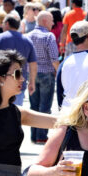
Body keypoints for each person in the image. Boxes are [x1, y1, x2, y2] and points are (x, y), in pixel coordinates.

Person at [24, 11, 59, 143]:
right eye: (51, 20)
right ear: (45, 21)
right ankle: (41, 136)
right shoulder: (49, 36)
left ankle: (34, 135)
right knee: (45, 106)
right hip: (46, 74)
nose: (53, 23)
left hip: (31, 74)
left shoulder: (28, 36)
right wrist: (59, 72)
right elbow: (54, 58)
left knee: (34, 106)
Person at [0, 15, 37, 106]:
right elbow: (33, 63)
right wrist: (32, 82)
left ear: (7, 24)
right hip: (19, 81)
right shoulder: (27, 40)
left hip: (1, 81)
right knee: (16, 112)